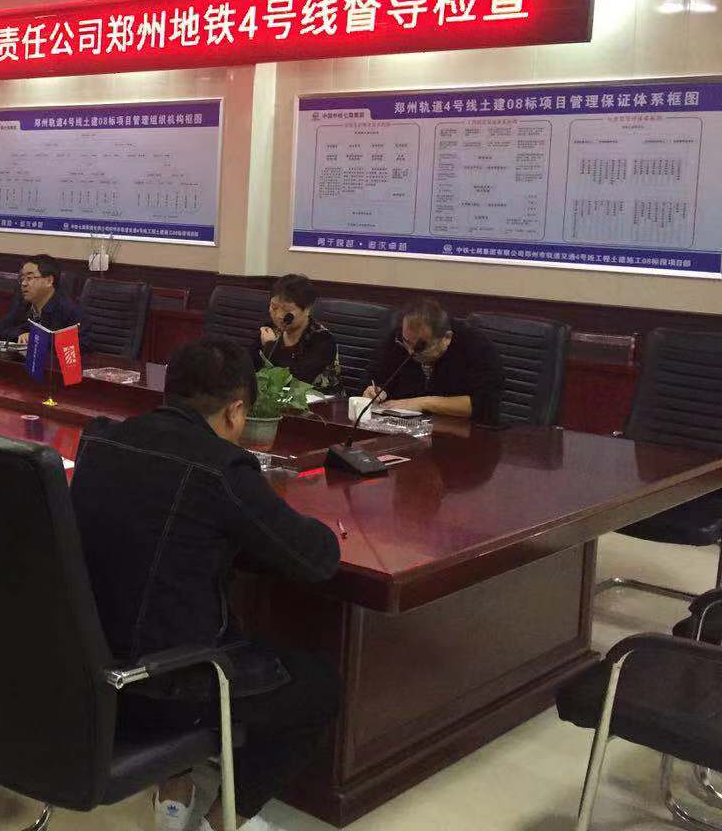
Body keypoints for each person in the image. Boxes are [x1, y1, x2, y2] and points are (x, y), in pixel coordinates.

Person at [71, 338, 341, 831]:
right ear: (236, 410)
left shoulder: (101, 439)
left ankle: (173, 790)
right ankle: (226, 820)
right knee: (319, 688)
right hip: (167, 688)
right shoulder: (221, 466)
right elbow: (315, 559)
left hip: (89, 673)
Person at [364, 298, 503, 425]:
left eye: (420, 347)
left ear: (447, 338)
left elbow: (484, 405)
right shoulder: (398, 339)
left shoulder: (476, 346)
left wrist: (422, 403)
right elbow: (376, 376)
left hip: (462, 431)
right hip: (404, 427)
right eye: (407, 342)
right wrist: (378, 392)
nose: (410, 352)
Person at [255, 273, 341, 392]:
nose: (279, 315)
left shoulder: (322, 339)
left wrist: (270, 345)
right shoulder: (269, 330)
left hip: (318, 400)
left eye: (287, 310)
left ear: (307, 309)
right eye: (274, 307)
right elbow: (249, 367)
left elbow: (297, 381)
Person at [0, 254, 85, 347]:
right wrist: (20, 334)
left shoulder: (69, 311)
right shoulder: (24, 305)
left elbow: (82, 343)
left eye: (29, 278)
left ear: (49, 281)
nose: (23, 283)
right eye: (22, 279)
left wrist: (37, 338)